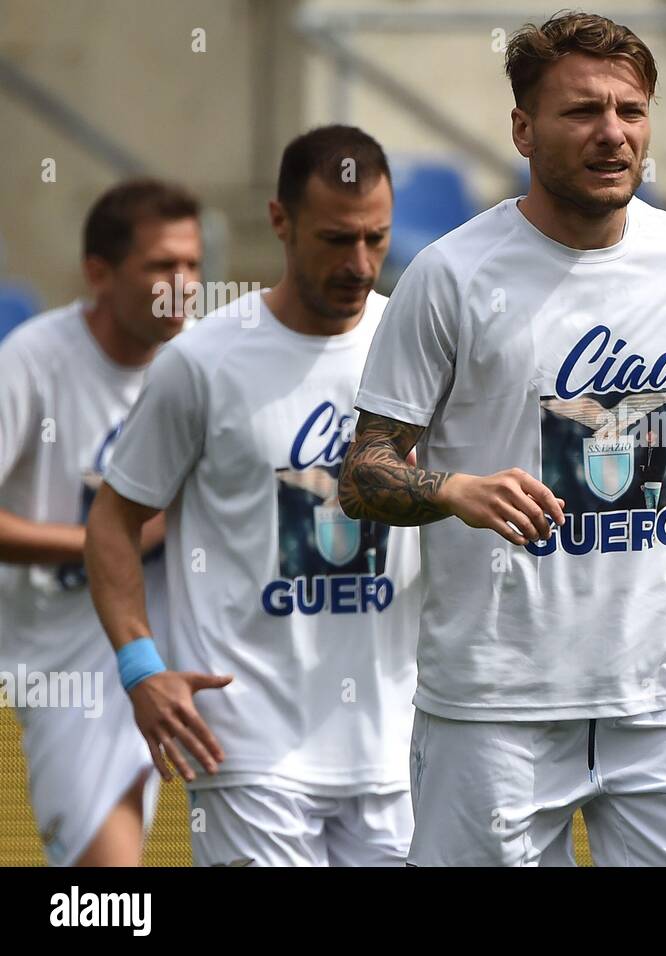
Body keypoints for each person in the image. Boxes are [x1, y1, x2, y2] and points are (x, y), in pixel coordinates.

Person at [338, 11, 666, 867]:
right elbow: (365, 472)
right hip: (494, 709)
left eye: (631, 110)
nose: (613, 133)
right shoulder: (450, 277)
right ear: (523, 129)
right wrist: (456, 491)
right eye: (582, 112)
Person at [85, 126, 420, 866]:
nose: (359, 265)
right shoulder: (203, 361)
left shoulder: (417, 345)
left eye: (376, 238)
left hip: (398, 748)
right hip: (248, 749)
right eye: (336, 239)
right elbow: (113, 519)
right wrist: (141, 667)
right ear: (280, 221)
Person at [0, 179, 201, 865]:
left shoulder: (202, 361)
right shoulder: (31, 360)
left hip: (197, 645)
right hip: (71, 668)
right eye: (160, 266)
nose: (183, 284)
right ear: (98, 273)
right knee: (104, 892)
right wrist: (100, 543)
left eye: (193, 265)